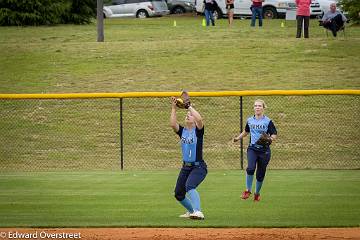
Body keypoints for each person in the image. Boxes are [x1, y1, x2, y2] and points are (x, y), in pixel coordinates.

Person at [170, 95, 208, 220]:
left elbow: (200, 119)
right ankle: (191, 211)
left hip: (198, 167)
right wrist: (174, 108)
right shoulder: (183, 131)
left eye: (189, 114)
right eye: (186, 114)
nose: (187, 115)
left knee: (190, 186)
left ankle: (198, 211)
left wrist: (189, 107)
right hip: (185, 167)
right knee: (178, 194)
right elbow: (173, 124)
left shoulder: (198, 131)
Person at [233, 99, 277, 202]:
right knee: (250, 168)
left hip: (264, 151)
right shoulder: (250, 120)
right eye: (255, 106)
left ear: (263, 108)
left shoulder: (268, 121)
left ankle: (257, 193)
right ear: (254, 108)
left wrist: (270, 139)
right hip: (252, 148)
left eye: (259, 106)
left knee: (260, 174)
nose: (257, 107)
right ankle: (248, 190)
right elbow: (246, 131)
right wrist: (238, 138)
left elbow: (274, 134)